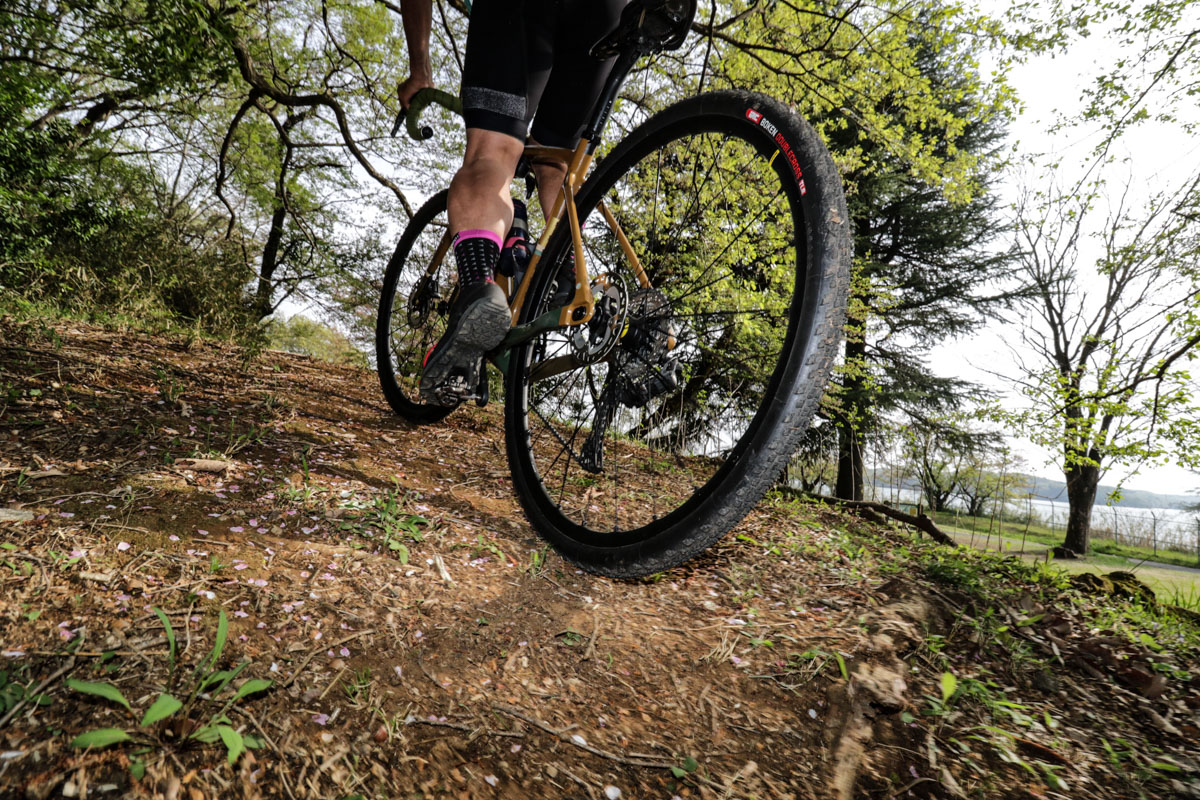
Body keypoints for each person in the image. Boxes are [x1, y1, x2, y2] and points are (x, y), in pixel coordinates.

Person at [418, 0, 629, 406]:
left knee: (493, 152)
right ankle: (568, 271)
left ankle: (480, 286)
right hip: (609, 12)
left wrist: (419, 67)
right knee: (557, 162)